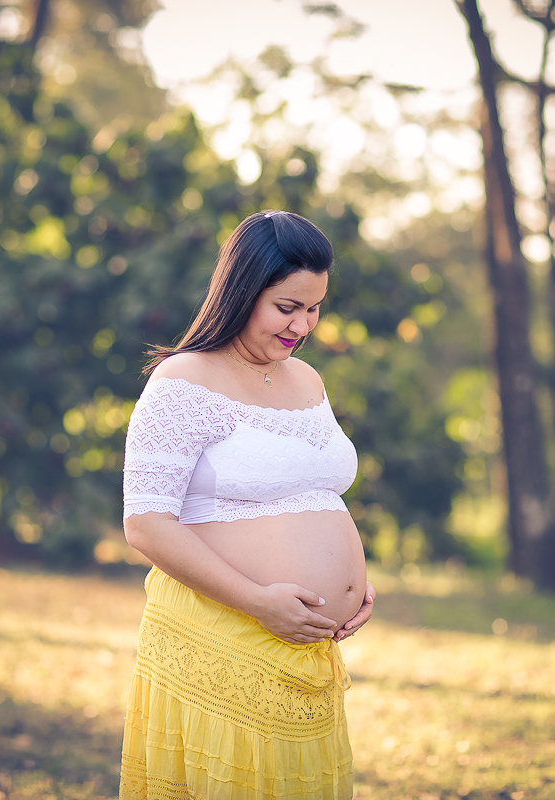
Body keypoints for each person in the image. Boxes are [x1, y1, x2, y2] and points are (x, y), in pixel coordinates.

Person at [119, 209, 375, 799]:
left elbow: (313, 495)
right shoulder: (183, 381)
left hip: (307, 656)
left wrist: (353, 586)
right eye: (287, 307)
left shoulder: (307, 379)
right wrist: (260, 601)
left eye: (314, 307)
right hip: (222, 636)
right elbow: (146, 524)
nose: (303, 325)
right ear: (241, 291)